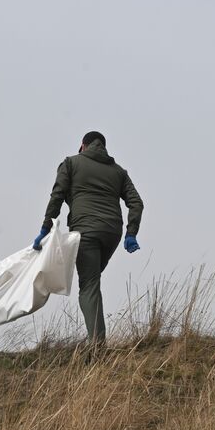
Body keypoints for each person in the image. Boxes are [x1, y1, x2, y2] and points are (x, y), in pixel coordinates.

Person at [33, 131, 144, 343]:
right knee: (93, 278)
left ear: (82, 146)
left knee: (89, 284)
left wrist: (45, 228)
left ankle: (97, 345)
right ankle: (97, 337)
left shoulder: (71, 163)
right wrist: (131, 233)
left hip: (86, 232)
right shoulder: (119, 172)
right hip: (112, 232)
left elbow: (57, 195)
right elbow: (136, 202)